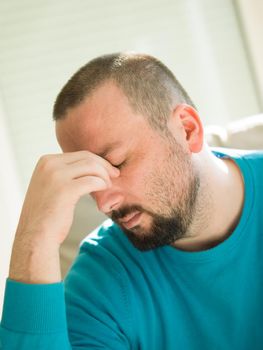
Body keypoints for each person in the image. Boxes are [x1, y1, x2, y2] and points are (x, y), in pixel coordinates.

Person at [0, 52, 263, 350]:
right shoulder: (100, 281)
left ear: (187, 130)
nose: (103, 204)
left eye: (117, 163)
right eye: (92, 177)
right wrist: (33, 241)